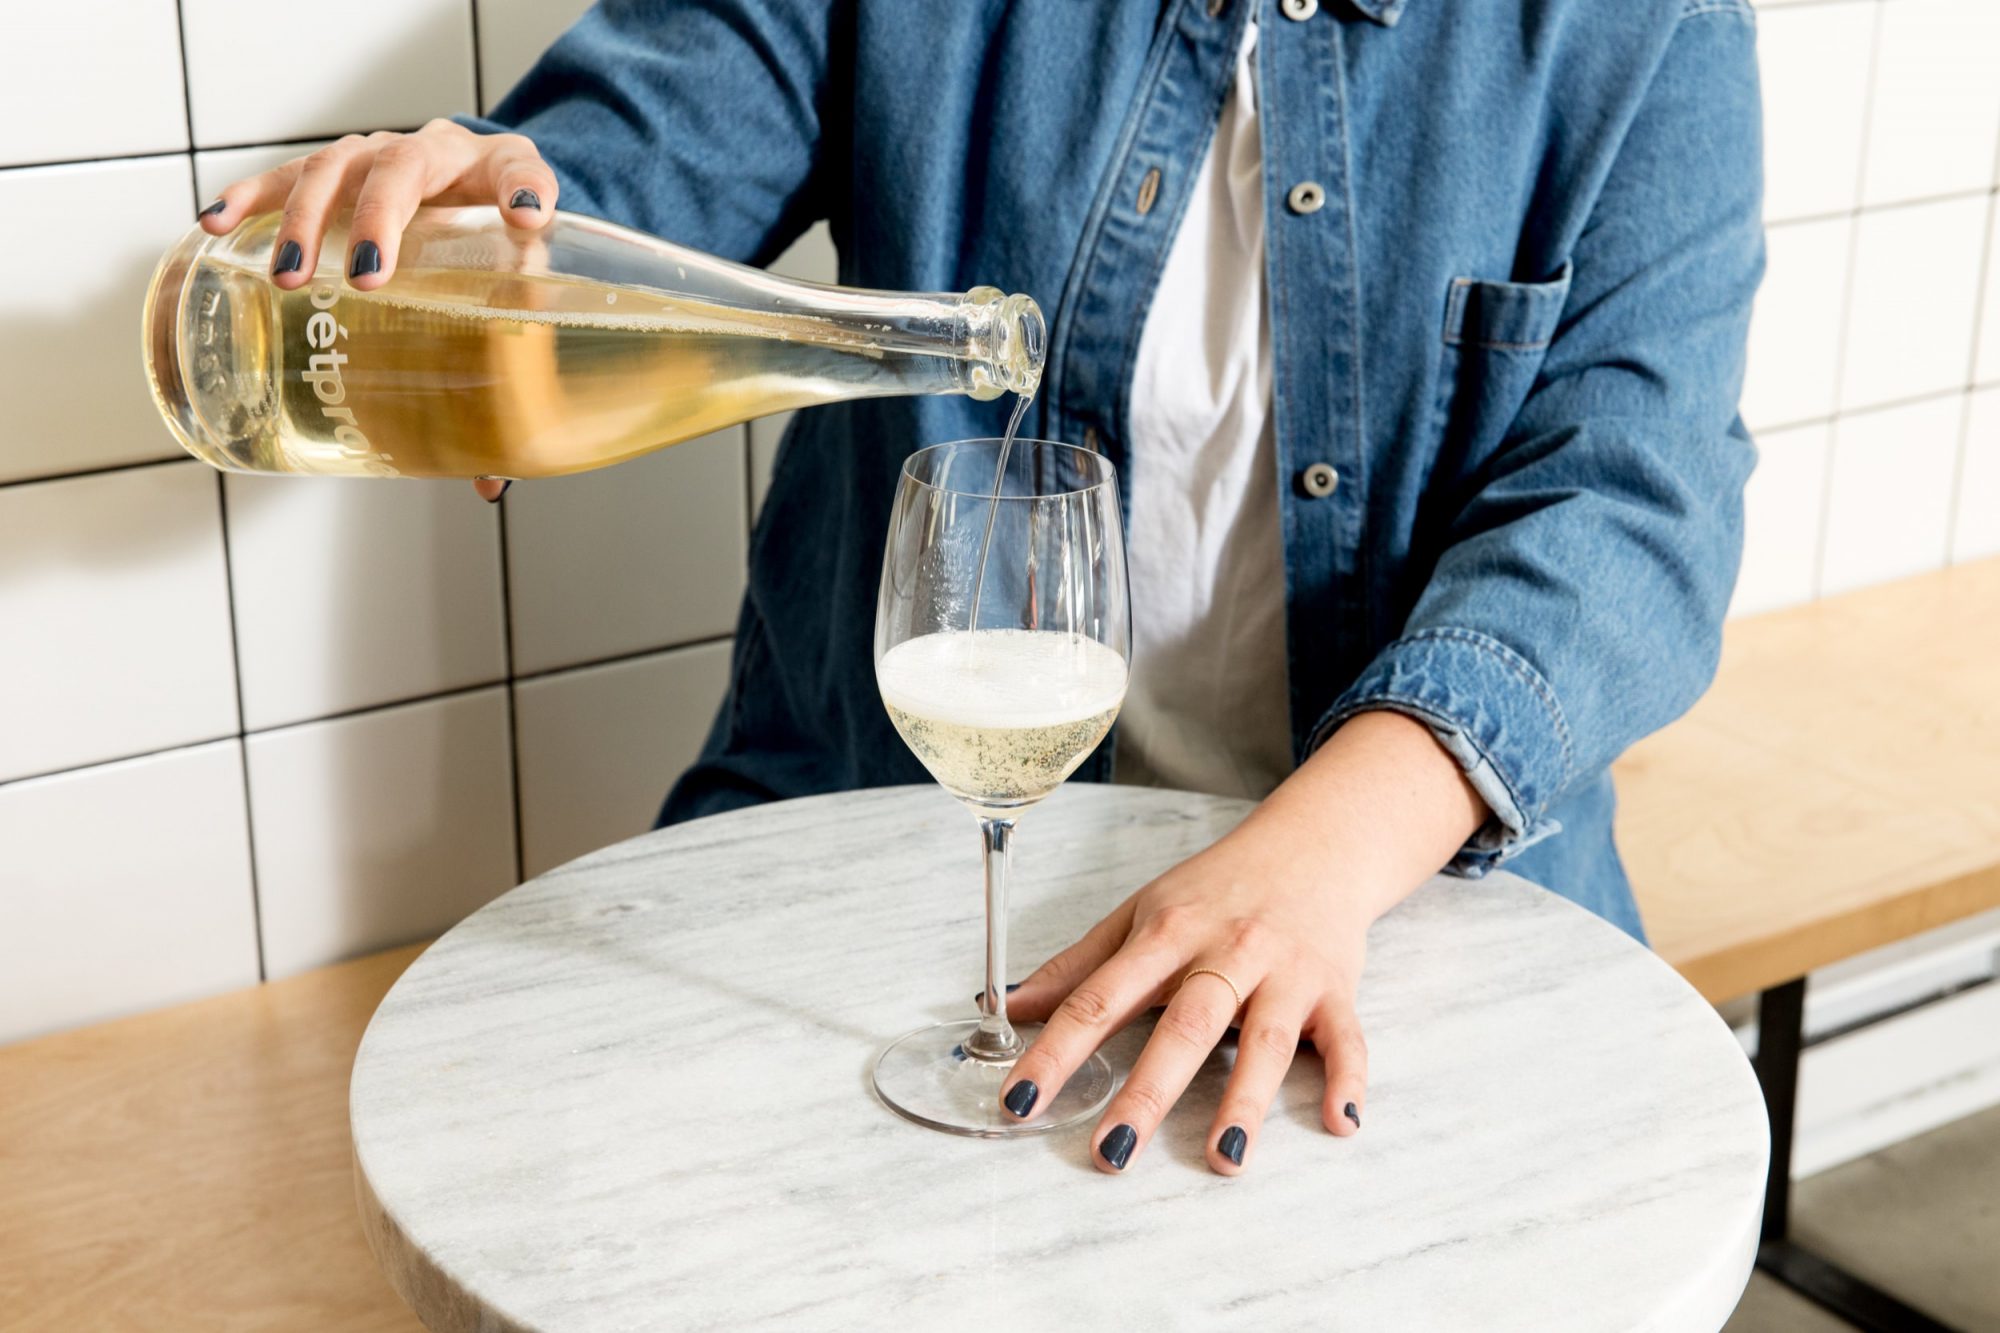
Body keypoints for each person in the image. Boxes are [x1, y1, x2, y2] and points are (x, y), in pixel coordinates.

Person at [203, 0, 1761, 1177]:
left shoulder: (1645, 29)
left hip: (1386, 906)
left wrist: (1316, 860)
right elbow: (630, 176)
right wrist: (501, 227)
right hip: (882, 864)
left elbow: (1635, 505)